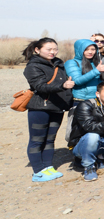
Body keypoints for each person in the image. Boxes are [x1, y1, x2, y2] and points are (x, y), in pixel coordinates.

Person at [22, 38, 74, 182]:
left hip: (57, 107)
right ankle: (38, 172)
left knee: (50, 139)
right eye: (49, 49)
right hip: (40, 108)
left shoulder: (58, 63)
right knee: (37, 140)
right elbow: (40, 86)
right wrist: (63, 86)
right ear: (37, 50)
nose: (53, 52)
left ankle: (48, 167)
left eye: (55, 49)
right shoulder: (33, 66)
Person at [65, 39, 104, 104]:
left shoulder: (96, 63)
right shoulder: (71, 63)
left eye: (93, 49)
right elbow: (77, 81)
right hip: (81, 100)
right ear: (79, 50)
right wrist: (96, 71)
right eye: (86, 49)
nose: (90, 52)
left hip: (98, 99)